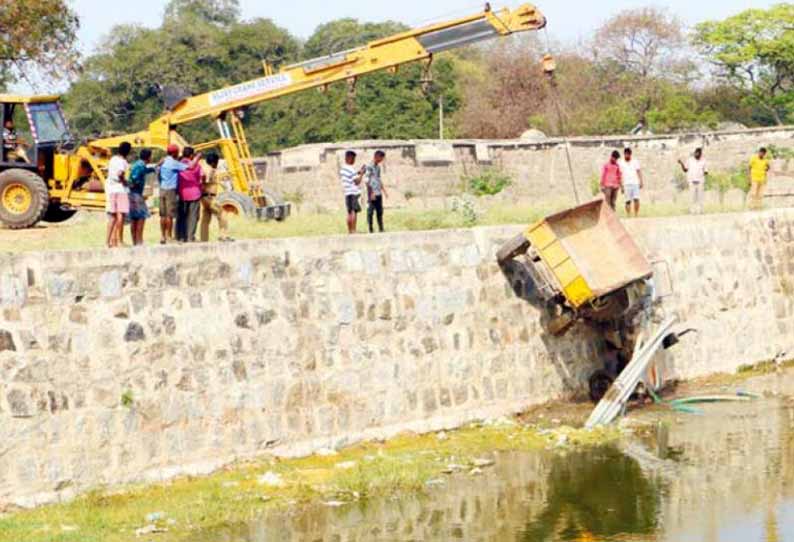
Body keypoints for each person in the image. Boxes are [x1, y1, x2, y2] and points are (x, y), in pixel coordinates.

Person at [158, 144, 200, 244]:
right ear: (174, 153)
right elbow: (191, 167)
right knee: (170, 215)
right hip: (171, 190)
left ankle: (163, 236)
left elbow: (157, 172)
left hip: (162, 189)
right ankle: (169, 237)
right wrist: (198, 157)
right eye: (177, 152)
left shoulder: (163, 162)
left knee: (163, 215)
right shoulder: (173, 163)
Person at [200, 151, 232, 242]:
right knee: (222, 214)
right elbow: (205, 181)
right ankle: (223, 236)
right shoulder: (210, 170)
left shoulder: (204, 168)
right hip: (210, 197)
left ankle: (204, 239)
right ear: (214, 162)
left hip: (204, 197)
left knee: (205, 219)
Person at [105, 142, 132, 248]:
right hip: (120, 189)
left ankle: (109, 242)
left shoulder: (112, 159)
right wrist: (124, 181)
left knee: (112, 216)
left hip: (111, 190)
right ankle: (120, 240)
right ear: (128, 151)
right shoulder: (122, 161)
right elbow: (120, 173)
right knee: (121, 215)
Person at [127, 148, 155, 245]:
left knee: (134, 217)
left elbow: (146, 170)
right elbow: (134, 179)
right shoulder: (140, 166)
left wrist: (156, 167)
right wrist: (136, 185)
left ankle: (135, 241)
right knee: (141, 216)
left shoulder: (139, 164)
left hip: (132, 194)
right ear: (149, 157)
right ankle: (139, 241)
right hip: (136, 194)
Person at [176, 146, 203, 242]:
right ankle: (190, 237)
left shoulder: (178, 164)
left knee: (182, 216)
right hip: (195, 193)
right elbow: (202, 177)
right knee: (193, 217)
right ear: (191, 155)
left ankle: (180, 237)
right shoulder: (197, 166)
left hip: (182, 193)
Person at [340, 150, 365, 234]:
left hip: (347, 193)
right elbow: (357, 181)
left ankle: (350, 230)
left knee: (349, 212)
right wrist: (361, 174)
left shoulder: (343, 169)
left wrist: (358, 172)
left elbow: (350, 176)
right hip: (353, 193)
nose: (354, 160)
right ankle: (354, 230)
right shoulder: (351, 169)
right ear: (349, 158)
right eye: (353, 158)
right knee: (354, 211)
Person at [678, 148, 708, 215]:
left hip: (700, 181)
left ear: (701, 154)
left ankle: (701, 211)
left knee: (700, 197)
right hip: (691, 181)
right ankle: (692, 211)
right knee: (692, 197)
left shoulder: (704, 161)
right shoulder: (690, 160)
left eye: (699, 154)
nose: (697, 155)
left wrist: (699, 175)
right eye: (696, 153)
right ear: (694, 153)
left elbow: (706, 172)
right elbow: (685, 170)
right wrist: (681, 163)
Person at [365, 150, 389, 233]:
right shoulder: (369, 167)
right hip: (372, 193)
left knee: (380, 211)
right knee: (370, 212)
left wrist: (384, 191)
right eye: (380, 158)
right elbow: (367, 181)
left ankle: (381, 228)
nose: (381, 160)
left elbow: (378, 179)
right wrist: (371, 193)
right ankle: (370, 229)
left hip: (378, 192)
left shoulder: (378, 167)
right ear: (376, 156)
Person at [619, 147, 643, 217]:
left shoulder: (635, 161)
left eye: (628, 154)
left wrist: (641, 181)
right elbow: (620, 175)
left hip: (635, 183)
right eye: (625, 154)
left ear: (630, 154)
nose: (627, 156)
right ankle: (628, 215)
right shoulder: (621, 163)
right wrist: (621, 186)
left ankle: (636, 214)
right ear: (624, 154)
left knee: (636, 199)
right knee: (627, 201)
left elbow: (639, 171)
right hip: (626, 184)